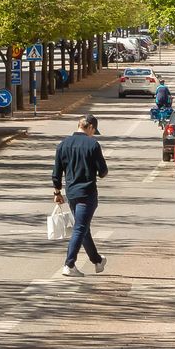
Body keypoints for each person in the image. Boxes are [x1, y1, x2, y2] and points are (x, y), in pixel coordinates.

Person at [52, 114, 109, 277]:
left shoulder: (63, 144)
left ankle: (97, 261)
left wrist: (57, 192)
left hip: (71, 193)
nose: (93, 134)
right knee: (80, 227)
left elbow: (56, 173)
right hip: (87, 192)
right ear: (90, 127)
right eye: (93, 131)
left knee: (82, 227)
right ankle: (69, 264)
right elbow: (103, 171)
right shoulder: (93, 144)